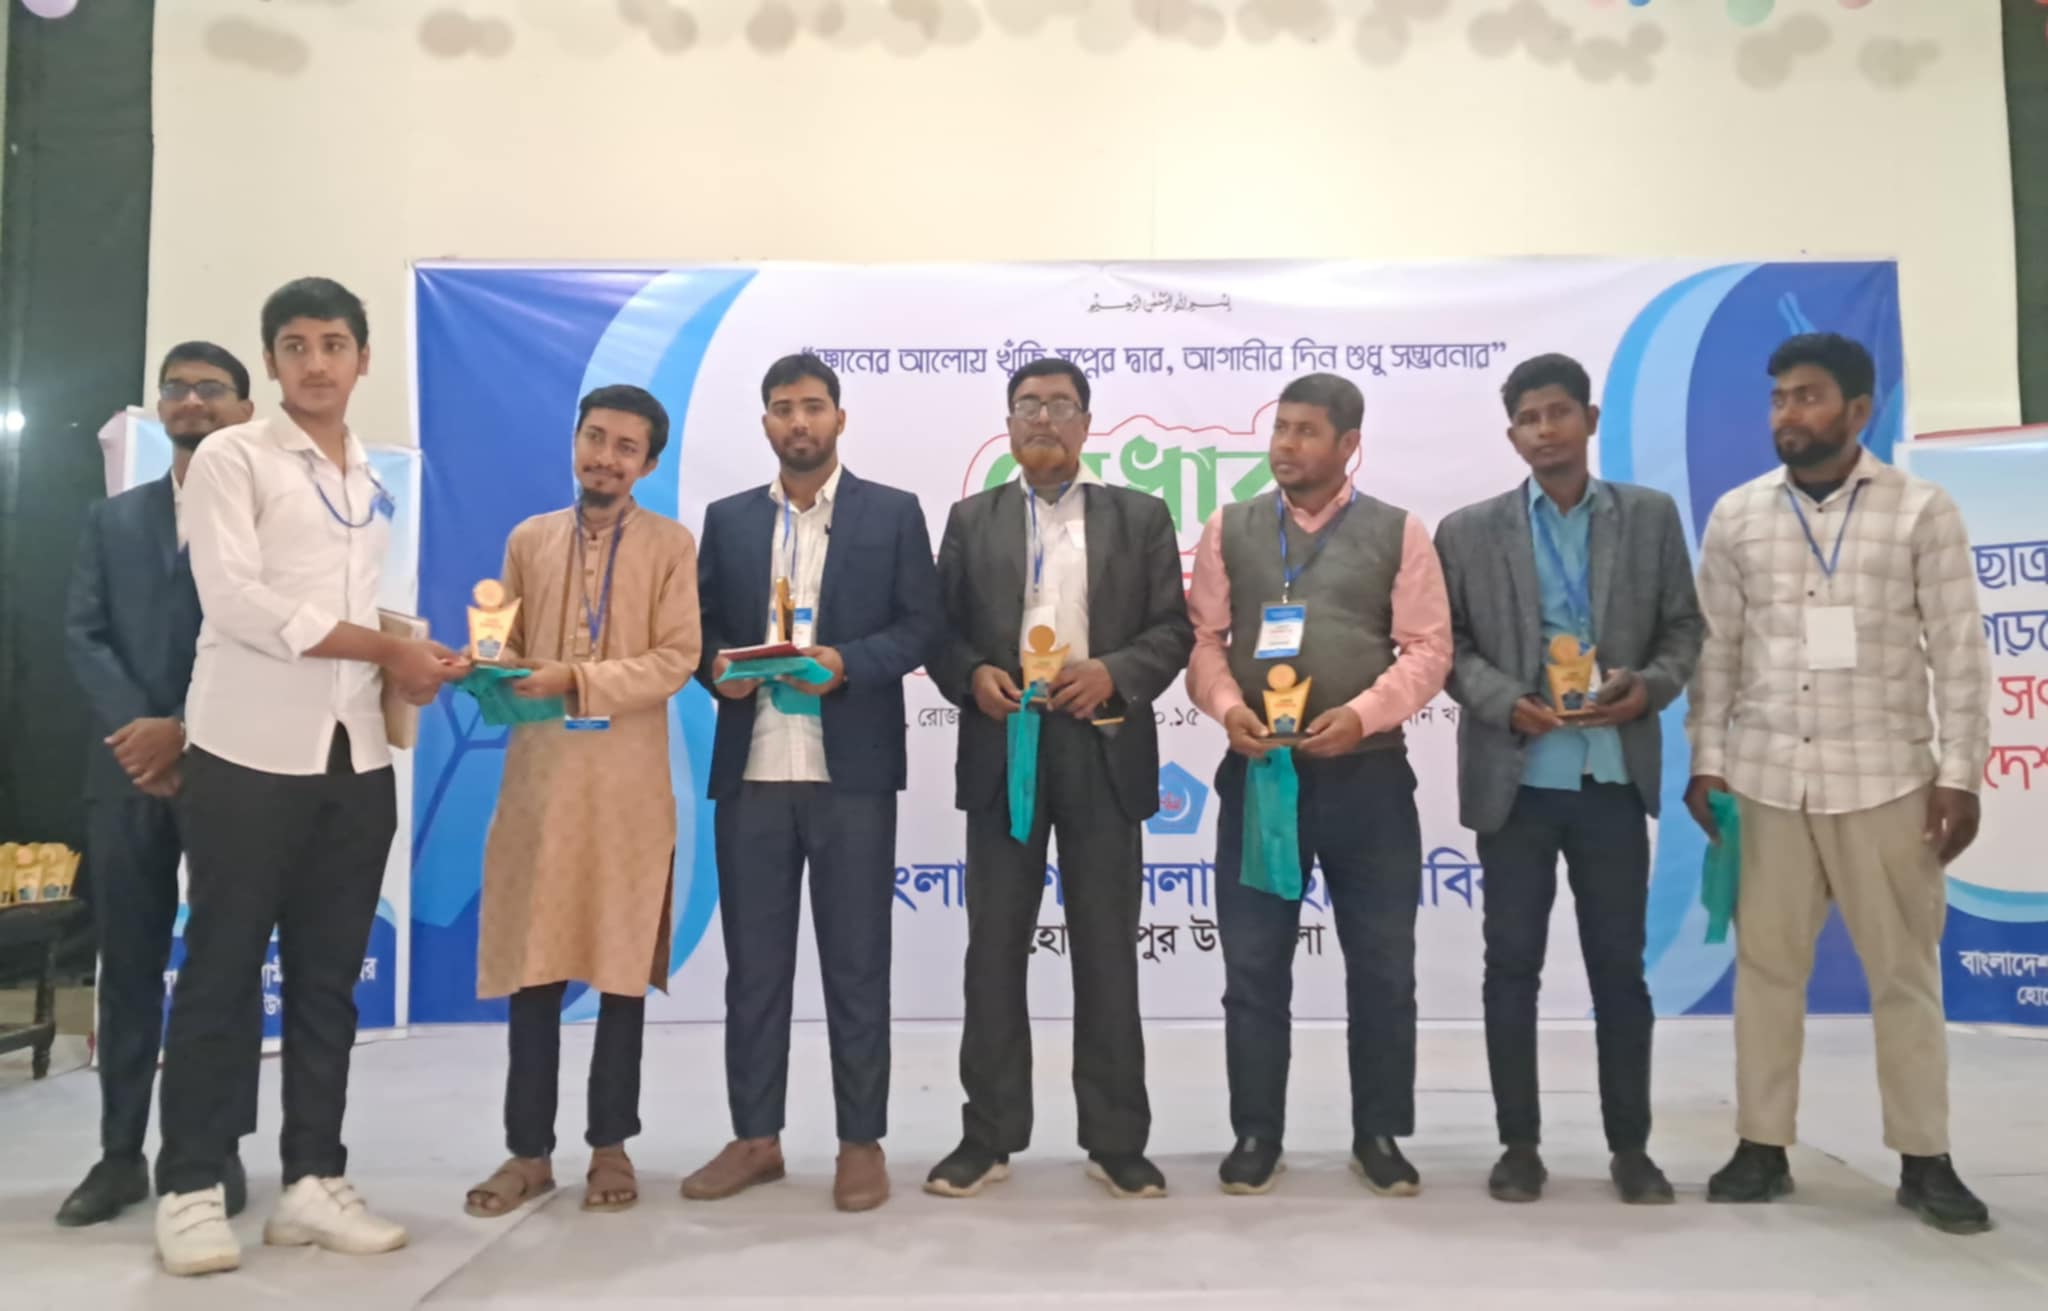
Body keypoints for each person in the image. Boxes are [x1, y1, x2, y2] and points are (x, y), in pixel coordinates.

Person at [152, 278, 469, 1276]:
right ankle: (190, 1187)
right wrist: (384, 652)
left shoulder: (367, 473)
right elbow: (238, 604)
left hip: (354, 755)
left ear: (362, 359)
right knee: (221, 970)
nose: (317, 362)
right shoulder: (232, 458)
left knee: (329, 980)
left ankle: (312, 1181)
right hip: (247, 752)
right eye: (296, 346)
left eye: (334, 344)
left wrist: (408, 657)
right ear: (273, 363)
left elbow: (356, 607)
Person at [1686, 332, 1992, 1234]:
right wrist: (1706, 760)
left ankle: (1925, 1158)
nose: (1789, 412)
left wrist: (1961, 774)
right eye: (1780, 397)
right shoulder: (1738, 515)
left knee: (1904, 973)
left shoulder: (1921, 510)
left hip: (1887, 778)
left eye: (1809, 395)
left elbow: (1960, 653)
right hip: (1768, 778)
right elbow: (1716, 653)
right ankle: (1761, 1144)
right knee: (1767, 968)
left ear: (1858, 410)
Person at [1435, 354, 1704, 1205]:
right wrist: (1503, 701)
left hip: (1610, 776)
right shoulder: (1467, 531)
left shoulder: (1649, 517)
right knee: (1511, 966)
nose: (1544, 430)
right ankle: (1519, 1145)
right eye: (1528, 418)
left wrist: (1648, 687)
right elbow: (1448, 648)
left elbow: (1684, 629)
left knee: (1619, 970)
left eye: (1558, 413)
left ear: (1589, 419)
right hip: (1515, 781)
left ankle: (1632, 1148)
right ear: (1511, 433)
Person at [925, 359, 1193, 1200]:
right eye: (1028, 405)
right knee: (994, 949)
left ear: (1086, 422)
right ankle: (988, 1134)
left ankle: (1116, 1139)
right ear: (1008, 423)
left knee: (1107, 950)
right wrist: (972, 676)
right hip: (1006, 745)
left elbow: (1173, 630)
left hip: (1101, 745)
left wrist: (1114, 671)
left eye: (1060, 405)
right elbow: (940, 632)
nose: (1043, 418)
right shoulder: (971, 519)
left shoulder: (1140, 515)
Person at [683, 354, 942, 1213]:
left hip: (850, 774)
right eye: (783, 408)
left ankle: (860, 1141)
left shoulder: (893, 512)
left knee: (858, 964)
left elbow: (922, 625)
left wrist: (847, 662)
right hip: (753, 771)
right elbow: (700, 629)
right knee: (754, 969)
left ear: (840, 417)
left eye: (814, 406)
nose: (800, 421)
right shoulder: (727, 520)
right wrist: (715, 671)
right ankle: (755, 1137)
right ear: (765, 422)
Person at [1185, 372, 1450, 1198]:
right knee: (1254, 965)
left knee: (1383, 966)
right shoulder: (1230, 527)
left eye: (1306, 431)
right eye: (1281, 428)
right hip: (1261, 776)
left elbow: (1428, 649)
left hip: (1368, 780)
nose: (1286, 445)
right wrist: (1227, 707)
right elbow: (1204, 640)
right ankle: (1256, 1132)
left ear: (1348, 444)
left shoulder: (1399, 531)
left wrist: (1363, 716)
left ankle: (1379, 1133)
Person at [462, 384, 702, 1219]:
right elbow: (506, 649)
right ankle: (527, 1151)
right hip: (541, 783)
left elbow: (677, 658)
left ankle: (611, 1144)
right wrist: (481, 665)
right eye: (595, 438)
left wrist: (576, 677)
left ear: (649, 463)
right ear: (575, 441)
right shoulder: (528, 539)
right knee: (534, 968)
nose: (605, 458)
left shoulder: (670, 545)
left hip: (628, 789)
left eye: (625, 447)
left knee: (620, 970)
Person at [58, 343, 260, 1228]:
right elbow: (84, 633)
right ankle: (118, 1155)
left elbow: (264, 638)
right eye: (176, 388)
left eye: (211, 389)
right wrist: (142, 731)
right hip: (126, 770)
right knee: (129, 968)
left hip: (231, 764)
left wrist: (183, 726)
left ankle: (218, 1148)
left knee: (225, 967)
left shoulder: (265, 523)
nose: (191, 401)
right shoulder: (112, 520)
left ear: (245, 410)